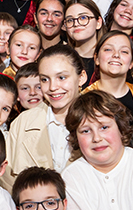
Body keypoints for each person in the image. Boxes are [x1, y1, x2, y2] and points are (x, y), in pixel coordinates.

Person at [5, 44, 85, 184]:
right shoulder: (23, 122)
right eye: (45, 79)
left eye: (61, 77)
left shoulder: (100, 120)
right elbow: (7, 179)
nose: (52, 87)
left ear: (81, 77)